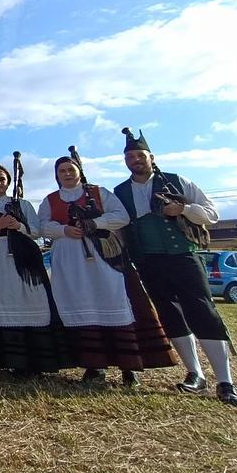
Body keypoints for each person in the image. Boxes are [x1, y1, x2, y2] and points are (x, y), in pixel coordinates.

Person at [114, 128, 237, 406]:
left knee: (203, 312)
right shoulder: (119, 191)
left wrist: (182, 209)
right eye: (130, 156)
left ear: (151, 157)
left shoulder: (177, 181)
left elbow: (212, 213)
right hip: (147, 260)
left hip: (183, 256)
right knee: (169, 313)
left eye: (140, 155)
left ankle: (225, 381)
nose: (135, 160)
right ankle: (195, 374)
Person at [38, 152, 174, 386]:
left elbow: (122, 216)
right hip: (70, 263)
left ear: (79, 171)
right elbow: (41, 226)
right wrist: (63, 230)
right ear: (56, 175)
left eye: (71, 169)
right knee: (82, 306)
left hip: (105, 258)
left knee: (112, 301)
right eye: (62, 171)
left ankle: (128, 365)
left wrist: (95, 223)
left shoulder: (99, 193)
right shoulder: (50, 200)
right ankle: (94, 365)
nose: (67, 174)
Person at [0, 161, 70, 375]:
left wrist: (19, 226)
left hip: (25, 256)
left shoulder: (23, 204)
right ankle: (10, 359)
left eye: (2, 179)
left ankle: (37, 359)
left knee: (32, 299)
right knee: (2, 301)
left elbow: (37, 230)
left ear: (8, 182)